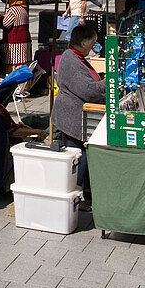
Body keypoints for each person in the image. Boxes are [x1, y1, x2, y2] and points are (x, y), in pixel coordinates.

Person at [51, 23, 104, 191]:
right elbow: (89, 91)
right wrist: (109, 81)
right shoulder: (71, 59)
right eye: (92, 43)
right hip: (72, 118)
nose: (93, 46)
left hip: (72, 115)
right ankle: (75, 191)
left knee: (78, 155)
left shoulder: (74, 56)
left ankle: (78, 189)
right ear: (82, 44)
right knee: (78, 157)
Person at [0, 0, 32, 69]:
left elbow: (5, 24)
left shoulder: (13, 10)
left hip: (15, 46)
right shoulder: (24, 10)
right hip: (24, 44)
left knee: (15, 70)